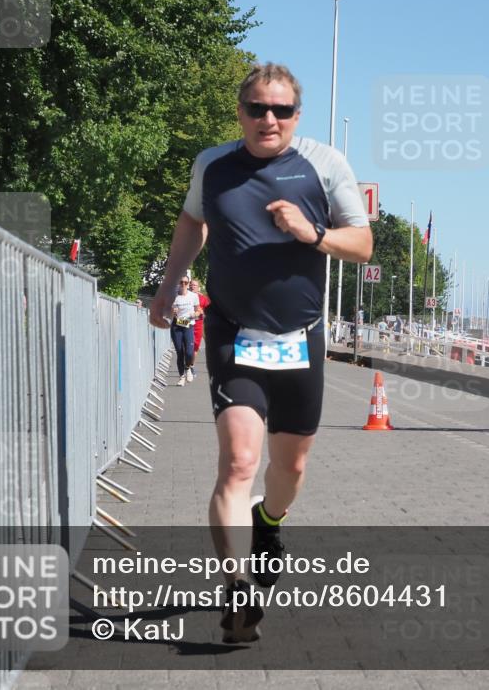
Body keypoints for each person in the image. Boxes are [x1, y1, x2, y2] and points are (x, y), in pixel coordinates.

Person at [149, 62, 372, 643]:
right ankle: (238, 592)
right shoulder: (213, 165)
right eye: (256, 108)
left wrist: (313, 234)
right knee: (239, 462)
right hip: (233, 330)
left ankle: (268, 521)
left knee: (290, 465)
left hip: (300, 337)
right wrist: (171, 283)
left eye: (281, 110)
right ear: (241, 111)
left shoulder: (325, 165)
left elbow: (364, 244)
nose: (268, 119)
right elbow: (192, 222)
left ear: (297, 115)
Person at [170, 276, 203, 386]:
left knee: (189, 352)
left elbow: (199, 310)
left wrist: (195, 314)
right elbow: (167, 311)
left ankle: (188, 368)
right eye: (181, 282)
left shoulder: (193, 296)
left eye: (186, 282)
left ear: (188, 284)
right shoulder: (174, 296)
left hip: (188, 325)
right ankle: (181, 377)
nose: (183, 284)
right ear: (179, 283)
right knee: (180, 352)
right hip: (177, 326)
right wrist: (172, 311)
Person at [190, 279, 211, 377]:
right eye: (191, 285)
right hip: (186, 324)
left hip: (198, 325)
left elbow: (210, 311)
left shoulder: (202, 298)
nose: (192, 287)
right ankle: (186, 366)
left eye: (194, 285)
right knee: (184, 346)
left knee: (194, 348)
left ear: (198, 287)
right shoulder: (184, 296)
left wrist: (202, 312)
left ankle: (191, 366)